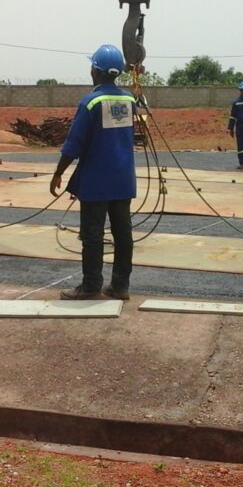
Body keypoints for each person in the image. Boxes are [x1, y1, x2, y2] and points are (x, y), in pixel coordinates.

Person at [49, 44, 136, 301]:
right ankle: (120, 286)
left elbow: (75, 143)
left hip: (97, 181)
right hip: (123, 180)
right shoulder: (130, 101)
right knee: (123, 234)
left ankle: (90, 287)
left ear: (95, 71)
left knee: (92, 234)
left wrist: (58, 173)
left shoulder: (91, 102)